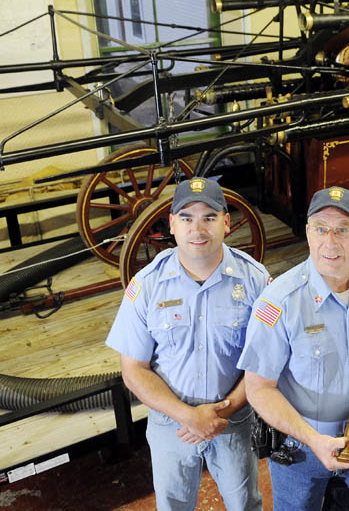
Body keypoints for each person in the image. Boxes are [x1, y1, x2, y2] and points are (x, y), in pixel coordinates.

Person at [238, 186, 349, 510]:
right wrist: (314, 440)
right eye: (321, 229)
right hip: (299, 451)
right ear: (308, 233)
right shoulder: (279, 302)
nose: (330, 242)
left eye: (342, 230)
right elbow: (259, 388)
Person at [105, 178, 268, 511]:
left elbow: (265, 361)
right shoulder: (147, 286)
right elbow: (134, 370)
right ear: (172, 224)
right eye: (187, 217)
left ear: (225, 222)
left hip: (232, 422)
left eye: (209, 217)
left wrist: (219, 413)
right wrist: (189, 417)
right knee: (173, 505)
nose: (198, 228)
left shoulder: (255, 280)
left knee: (245, 504)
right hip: (171, 425)